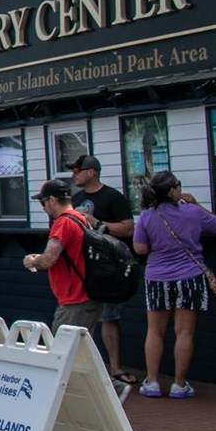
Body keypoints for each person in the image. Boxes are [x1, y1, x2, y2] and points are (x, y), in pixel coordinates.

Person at [133, 172, 216, 399]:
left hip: (157, 277)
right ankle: (179, 384)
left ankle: (152, 382)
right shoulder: (192, 212)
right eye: (178, 186)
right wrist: (196, 203)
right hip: (190, 276)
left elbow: (140, 249)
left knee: (155, 331)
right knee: (184, 332)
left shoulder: (146, 216)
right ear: (173, 191)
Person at [70, 154, 138, 386]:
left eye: (77, 170)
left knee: (109, 317)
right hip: (81, 266)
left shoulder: (113, 197)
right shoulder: (75, 198)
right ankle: (84, 368)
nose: (74, 175)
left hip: (107, 268)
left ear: (91, 172)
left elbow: (129, 229)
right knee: (81, 316)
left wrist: (99, 224)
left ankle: (115, 367)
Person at [22, 179, 100, 333]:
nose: (43, 207)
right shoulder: (81, 218)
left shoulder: (63, 222)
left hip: (75, 300)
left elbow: (48, 260)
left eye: (43, 202)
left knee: (63, 352)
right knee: (81, 352)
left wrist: (32, 261)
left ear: (52, 200)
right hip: (88, 296)